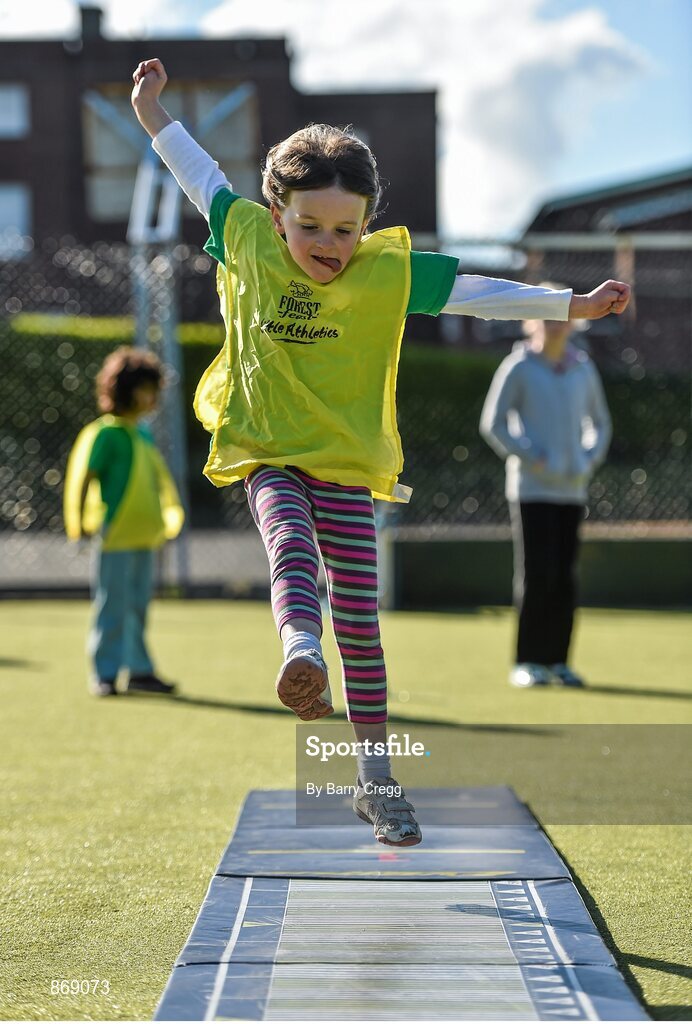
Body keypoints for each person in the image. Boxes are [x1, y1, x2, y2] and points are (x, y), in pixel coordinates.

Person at [130, 57, 630, 845]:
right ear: (276, 211)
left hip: (349, 461)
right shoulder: (243, 234)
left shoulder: (385, 271)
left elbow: (480, 292)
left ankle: (376, 781)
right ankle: (300, 650)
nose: (329, 244)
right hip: (270, 448)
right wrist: (150, 108)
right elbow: (196, 169)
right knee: (292, 547)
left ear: (366, 224)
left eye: (345, 229)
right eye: (309, 227)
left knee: (360, 618)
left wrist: (574, 303)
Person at [480, 297, 613, 689]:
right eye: (548, 318)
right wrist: (532, 457)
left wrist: (587, 460)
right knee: (537, 574)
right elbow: (494, 423)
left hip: (572, 491)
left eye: (563, 319)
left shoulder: (583, 369)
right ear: (532, 323)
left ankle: (558, 661)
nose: (556, 326)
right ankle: (527, 661)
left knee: (564, 577)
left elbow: (600, 423)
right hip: (531, 489)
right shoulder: (518, 366)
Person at [64, 346, 184, 697]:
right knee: (111, 604)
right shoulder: (108, 433)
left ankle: (139, 670)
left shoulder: (141, 434)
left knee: (138, 606)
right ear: (126, 389)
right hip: (114, 535)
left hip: (144, 536)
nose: (154, 398)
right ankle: (104, 672)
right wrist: (81, 523)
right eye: (148, 389)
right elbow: (87, 476)